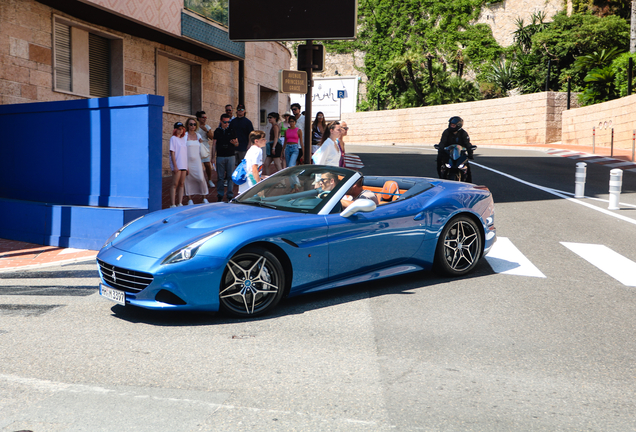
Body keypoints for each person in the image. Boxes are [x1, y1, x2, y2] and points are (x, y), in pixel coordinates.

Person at [437, 116, 473, 182]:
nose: (451, 126)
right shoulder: (446, 132)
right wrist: (440, 149)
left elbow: (467, 143)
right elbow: (442, 142)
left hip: (460, 153)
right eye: (451, 124)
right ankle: (441, 177)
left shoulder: (463, 133)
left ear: (458, 125)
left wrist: (470, 152)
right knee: (439, 162)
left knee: (467, 167)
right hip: (448, 153)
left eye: (453, 125)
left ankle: (469, 182)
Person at [183, 118, 209, 204]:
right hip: (188, 161)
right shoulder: (185, 135)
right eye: (191, 124)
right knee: (188, 179)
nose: (192, 126)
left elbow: (200, 148)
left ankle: (204, 197)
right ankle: (189, 199)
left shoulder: (198, 135)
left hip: (197, 161)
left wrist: (201, 142)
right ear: (187, 125)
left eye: (194, 124)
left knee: (201, 178)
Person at [213, 113, 238, 202]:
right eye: (224, 122)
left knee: (230, 177)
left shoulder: (232, 130)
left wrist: (234, 143)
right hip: (220, 156)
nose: (226, 124)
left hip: (230, 155)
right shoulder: (217, 131)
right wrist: (213, 157)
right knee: (220, 177)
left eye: (228, 122)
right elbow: (214, 144)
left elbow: (237, 143)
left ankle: (230, 195)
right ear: (220, 121)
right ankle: (220, 195)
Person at [238, 130, 267, 195]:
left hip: (245, 185)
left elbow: (249, 169)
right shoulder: (258, 150)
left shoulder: (251, 149)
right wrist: (259, 186)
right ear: (256, 141)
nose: (265, 140)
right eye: (263, 139)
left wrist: (262, 176)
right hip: (251, 186)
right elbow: (254, 168)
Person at [169, 122, 187, 207]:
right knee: (174, 184)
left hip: (183, 164)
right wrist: (175, 166)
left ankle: (180, 202)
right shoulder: (173, 138)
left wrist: (187, 167)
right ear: (175, 130)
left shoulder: (183, 140)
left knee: (181, 184)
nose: (180, 131)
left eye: (182, 129)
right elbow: (172, 153)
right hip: (177, 164)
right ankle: (172, 203)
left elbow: (184, 153)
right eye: (179, 129)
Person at [195, 110, 215, 188]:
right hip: (196, 146)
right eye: (203, 117)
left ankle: (209, 179)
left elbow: (212, 137)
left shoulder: (207, 127)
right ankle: (198, 181)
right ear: (199, 118)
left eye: (205, 117)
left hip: (205, 146)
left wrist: (206, 130)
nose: (205, 119)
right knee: (197, 164)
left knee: (207, 164)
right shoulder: (195, 126)